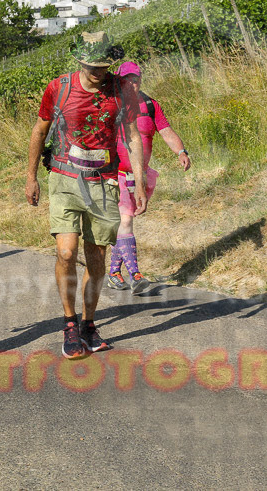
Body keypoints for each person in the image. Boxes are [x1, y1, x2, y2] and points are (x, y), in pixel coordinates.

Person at [25, 31, 146, 360]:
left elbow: (132, 135)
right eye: (92, 65)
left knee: (96, 259)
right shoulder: (59, 88)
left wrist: (136, 180)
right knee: (66, 252)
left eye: (104, 65)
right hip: (64, 177)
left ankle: (89, 325)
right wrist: (31, 176)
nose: (98, 71)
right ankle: (69, 323)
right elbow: (40, 130)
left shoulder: (120, 92)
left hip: (103, 181)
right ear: (79, 61)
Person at [106, 61, 192, 293]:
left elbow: (165, 131)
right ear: (119, 80)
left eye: (137, 79)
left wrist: (181, 152)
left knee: (126, 222)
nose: (133, 83)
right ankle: (135, 274)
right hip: (116, 173)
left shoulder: (150, 105)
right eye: (128, 79)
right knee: (125, 220)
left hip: (140, 175)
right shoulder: (112, 104)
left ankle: (114, 273)